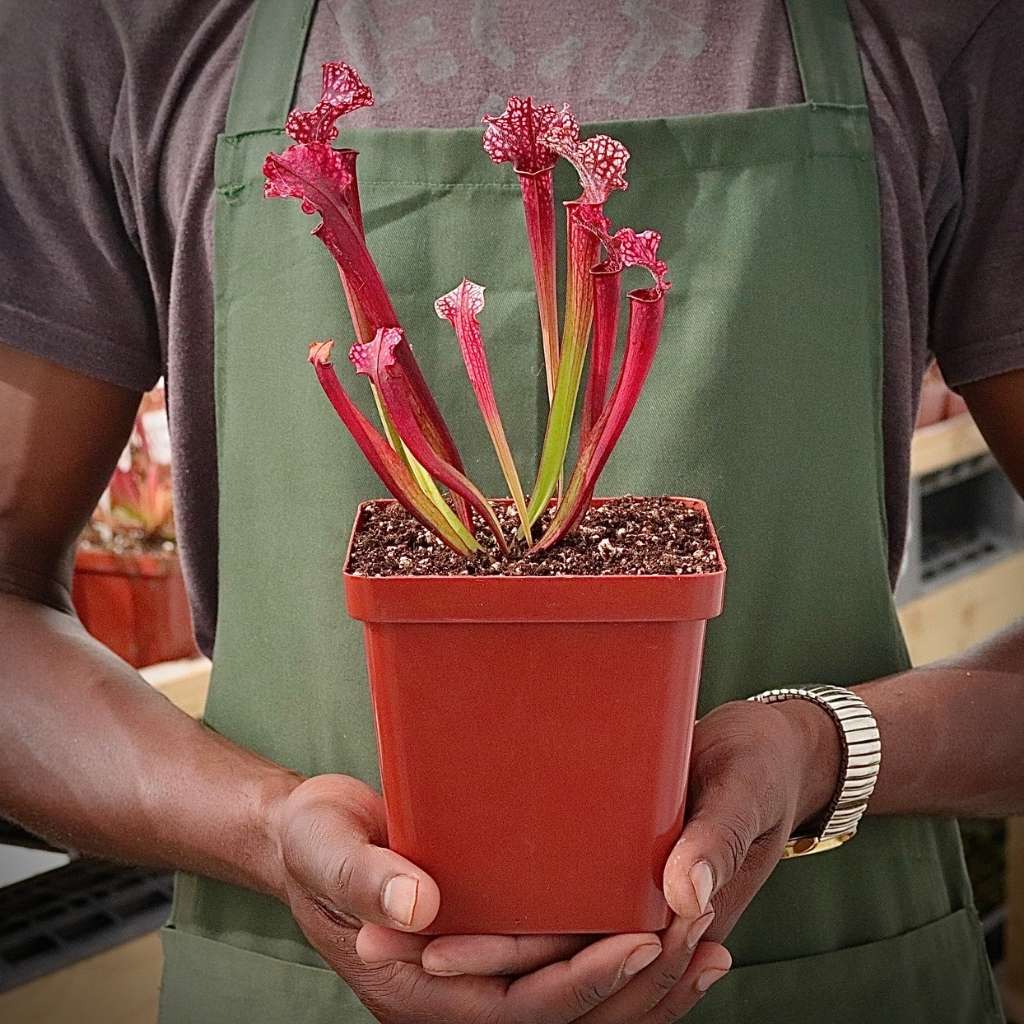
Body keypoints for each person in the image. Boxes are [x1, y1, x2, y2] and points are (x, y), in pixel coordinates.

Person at [1, 0, 1022, 1020]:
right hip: (302, 980)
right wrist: (264, 831)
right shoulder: (119, 24)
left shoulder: (944, 24)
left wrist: (827, 749)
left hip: (827, 973)